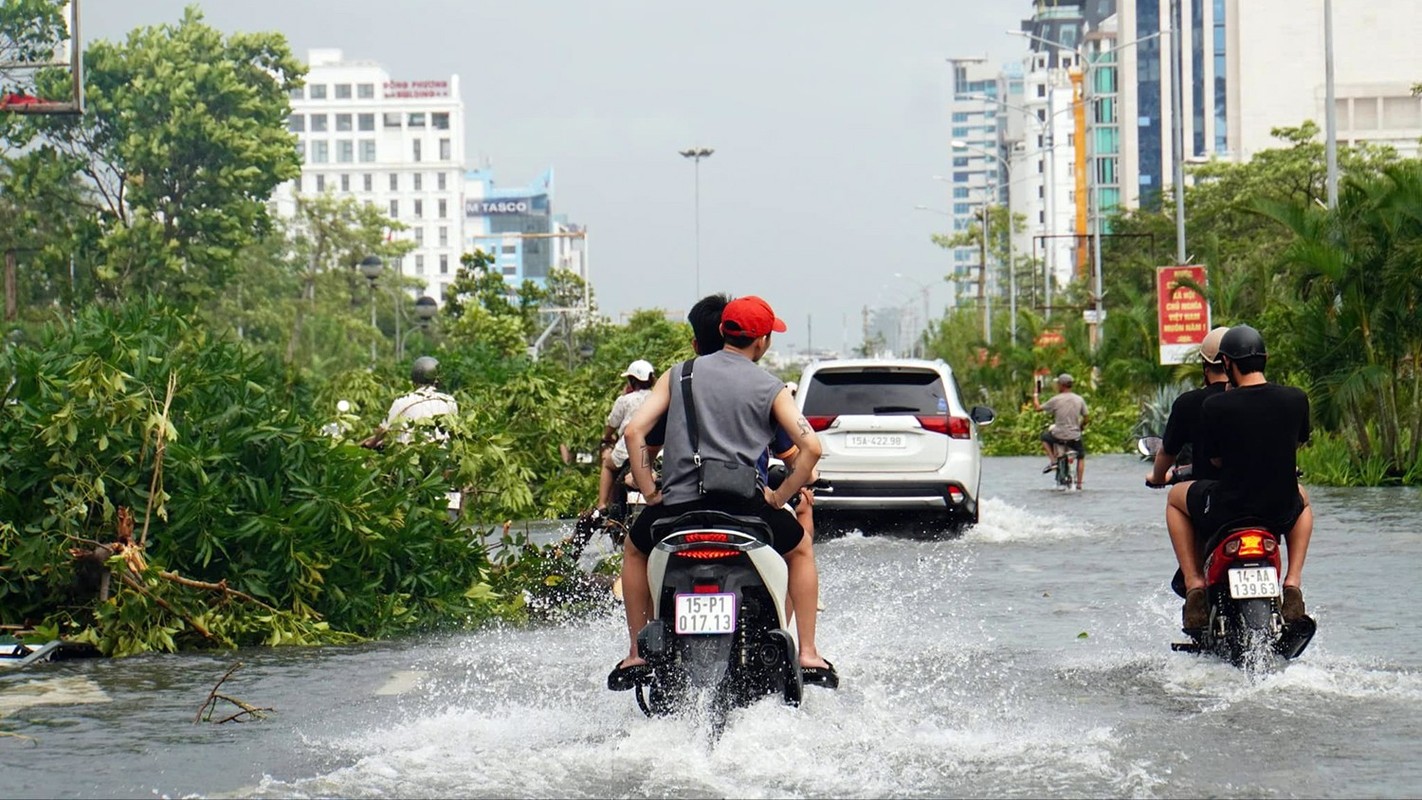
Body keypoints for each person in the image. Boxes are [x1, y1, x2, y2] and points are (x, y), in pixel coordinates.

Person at [609, 295, 835, 689]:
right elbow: (811, 448)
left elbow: (634, 432)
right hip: (745, 507)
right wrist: (779, 497)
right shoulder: (771, 387)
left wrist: (649, 489)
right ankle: (809, 653)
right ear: (762, 341)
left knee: (633, 548)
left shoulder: (679, 375)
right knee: (800, 551)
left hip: (677, 508)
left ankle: (635, 652)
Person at [1162, 324, 1313, 629]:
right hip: (1277, 508)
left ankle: (1193, 587)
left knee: (1173, 499)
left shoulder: (1215, 405)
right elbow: (1296, 443)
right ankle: (1293, 583)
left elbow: (1216, 459)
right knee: (1305, 502)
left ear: (1227, 363)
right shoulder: (1296, 398)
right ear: (1265, 358)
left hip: (1228, 509)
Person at [369, 356, 462, 515]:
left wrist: (371, 443)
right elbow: (455, 432)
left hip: (411, 465)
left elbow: (384, 430)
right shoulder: (450, 401)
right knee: (450, 504)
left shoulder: (403, 400)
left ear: (414, 379)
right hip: (441, 464)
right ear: (438, 379)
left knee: (394, 491)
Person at [1146, 326, 1231, 486]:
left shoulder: (1190, 403)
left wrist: (1157, 478)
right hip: (1262, 493)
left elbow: (1168, 451)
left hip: (1210, 494)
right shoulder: (1267, 399)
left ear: (1205, 367)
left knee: (1174, 500)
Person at [594, 359, 656, 514]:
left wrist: (607, 437)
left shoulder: (625, 400)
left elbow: (612, 424)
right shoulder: (657, 397)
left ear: (632, 380)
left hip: (627, 449)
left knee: (608, 464)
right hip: (656, 448)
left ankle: (601, 505)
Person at [1033, 372, 1089, 489]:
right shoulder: (1079, 399)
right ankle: (1079, 484)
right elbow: (1086, 417)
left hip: (1058, 435)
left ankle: (1053, 461)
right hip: (1074, 436)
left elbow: (1038, 408)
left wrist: (1035, 395)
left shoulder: (1056, 400)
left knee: (1044, 437)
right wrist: (1081, 426)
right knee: (1081, 457)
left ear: (1062, 385)